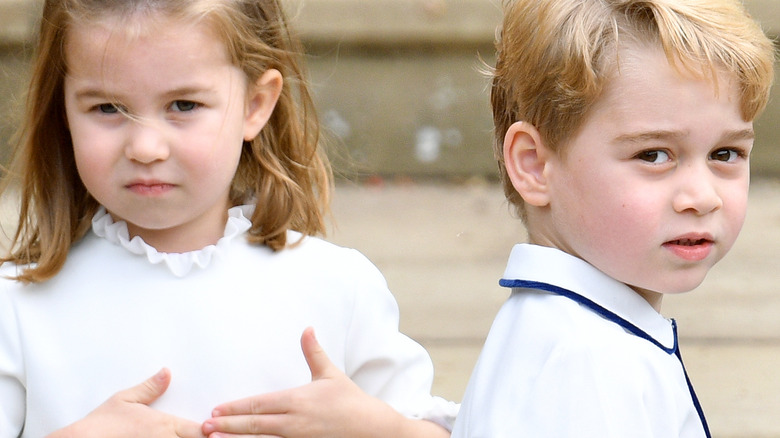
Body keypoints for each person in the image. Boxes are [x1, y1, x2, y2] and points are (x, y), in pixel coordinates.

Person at [0, 0, 457, 437]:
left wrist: (379, 431)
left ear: (256, 105)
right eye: (107, 108)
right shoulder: (18, 309)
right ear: (63, 110)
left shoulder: (339, 288)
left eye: (183, 106)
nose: (144, 148)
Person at [451, 0, 775, 437]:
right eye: (653, 154)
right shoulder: (591, 363)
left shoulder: (563, 332)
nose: (702, 197)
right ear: (533, 165)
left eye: (725, 154)